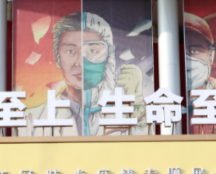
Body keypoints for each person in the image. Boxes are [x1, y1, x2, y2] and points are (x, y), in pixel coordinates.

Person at [19, 12, 147, 137]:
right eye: (71, 51)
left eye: (92, 51)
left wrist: (137, 107)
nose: (81, 63)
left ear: (108, 56)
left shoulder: (128, 114)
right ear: (57, 58)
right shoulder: (31, 120)